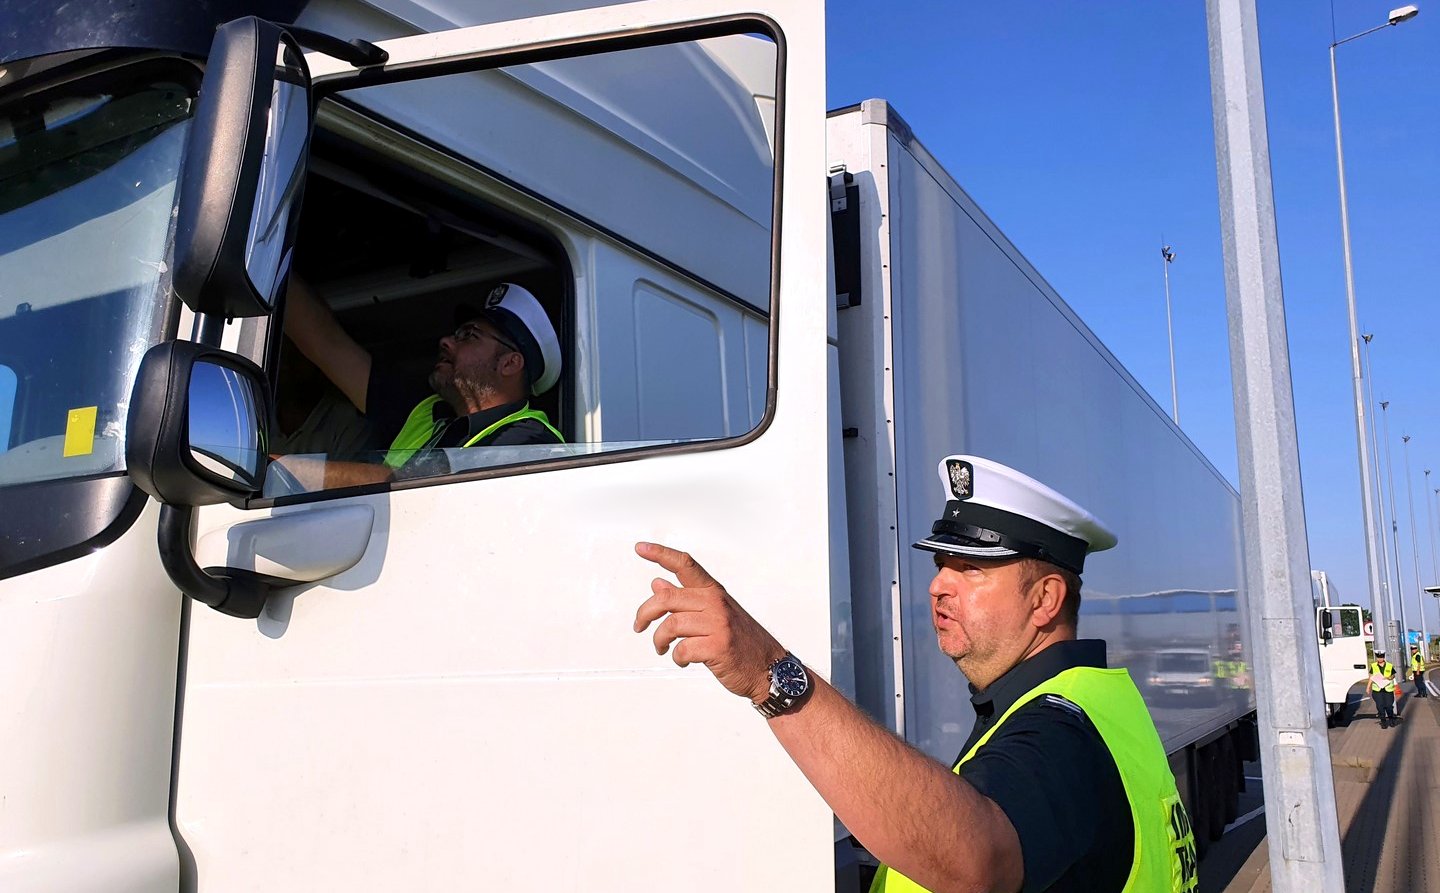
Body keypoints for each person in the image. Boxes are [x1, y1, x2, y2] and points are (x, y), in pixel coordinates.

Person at [633, 455, 1199, 893]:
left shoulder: (1063, 731)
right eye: (940, 565)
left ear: (1045, 600)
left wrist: (769, 674)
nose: (938, 585)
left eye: (971, 569)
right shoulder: (1086, 704)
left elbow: (976, 863)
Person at [280, 277, 563, 485]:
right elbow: (326, 344)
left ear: (509, 363)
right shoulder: (427, 412)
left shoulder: (531, 441)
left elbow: (403, 485)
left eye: (468, 336)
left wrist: (276, 470)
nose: (446, 341)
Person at [1370, 651, 1398, 727]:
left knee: (1389, 705)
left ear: (1384, 657)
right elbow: (1371, 677)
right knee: (1380, 706)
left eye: (1381, 657)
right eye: (1378, 657)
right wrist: (1368, 687)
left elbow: (1393, 675)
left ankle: (1391, 719)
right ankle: (1383, 721)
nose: (1380, 659)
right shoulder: (1373, 666)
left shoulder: (1389, 665)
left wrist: (1389, 677)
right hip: (1377, 690)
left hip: (1388, 689)